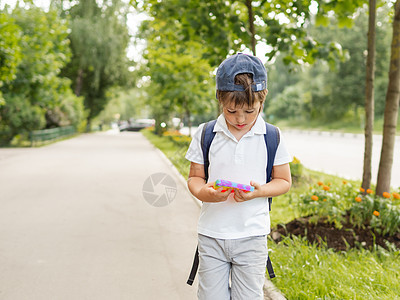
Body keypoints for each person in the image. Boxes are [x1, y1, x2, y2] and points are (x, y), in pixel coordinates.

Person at [185, 53, 292, 300]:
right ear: (220, 100)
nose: (240, 119)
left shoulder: (271, 136)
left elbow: (284, 181)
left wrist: (259, 192)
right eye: (231, 111)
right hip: (212, 235)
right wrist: (205, 193)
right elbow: (194, 177)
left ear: (262, 102)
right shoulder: (207, 133)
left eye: (249, 111)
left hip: (252, 236)